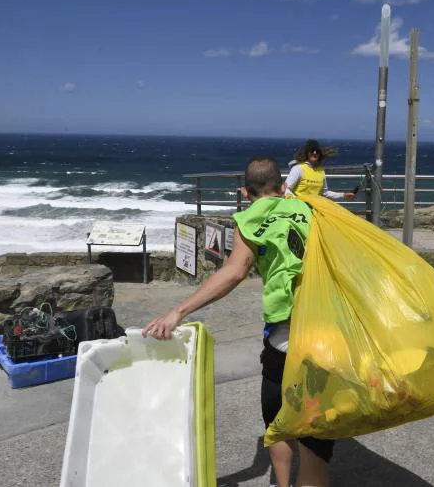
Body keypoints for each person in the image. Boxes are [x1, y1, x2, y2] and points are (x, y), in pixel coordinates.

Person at [142, 156, 333, 487]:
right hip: (326, 337)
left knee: (277, 423)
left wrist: (179, 311)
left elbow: (233, 272)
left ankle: (280, 483)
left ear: (246, 192)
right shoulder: (314, 212)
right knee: (315, 440)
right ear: (284, 186)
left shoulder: (249, 220)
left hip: (283, 340)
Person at [285, 139, 355, 201]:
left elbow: (325, 193)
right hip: (300, 208)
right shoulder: (298, 168)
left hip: (315, 207)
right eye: (312, 151)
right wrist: (295, 201)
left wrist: (344, 195)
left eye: (317, 151)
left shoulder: (321, 171)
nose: (314, 153)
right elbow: (286, 189)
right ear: (307, 153)